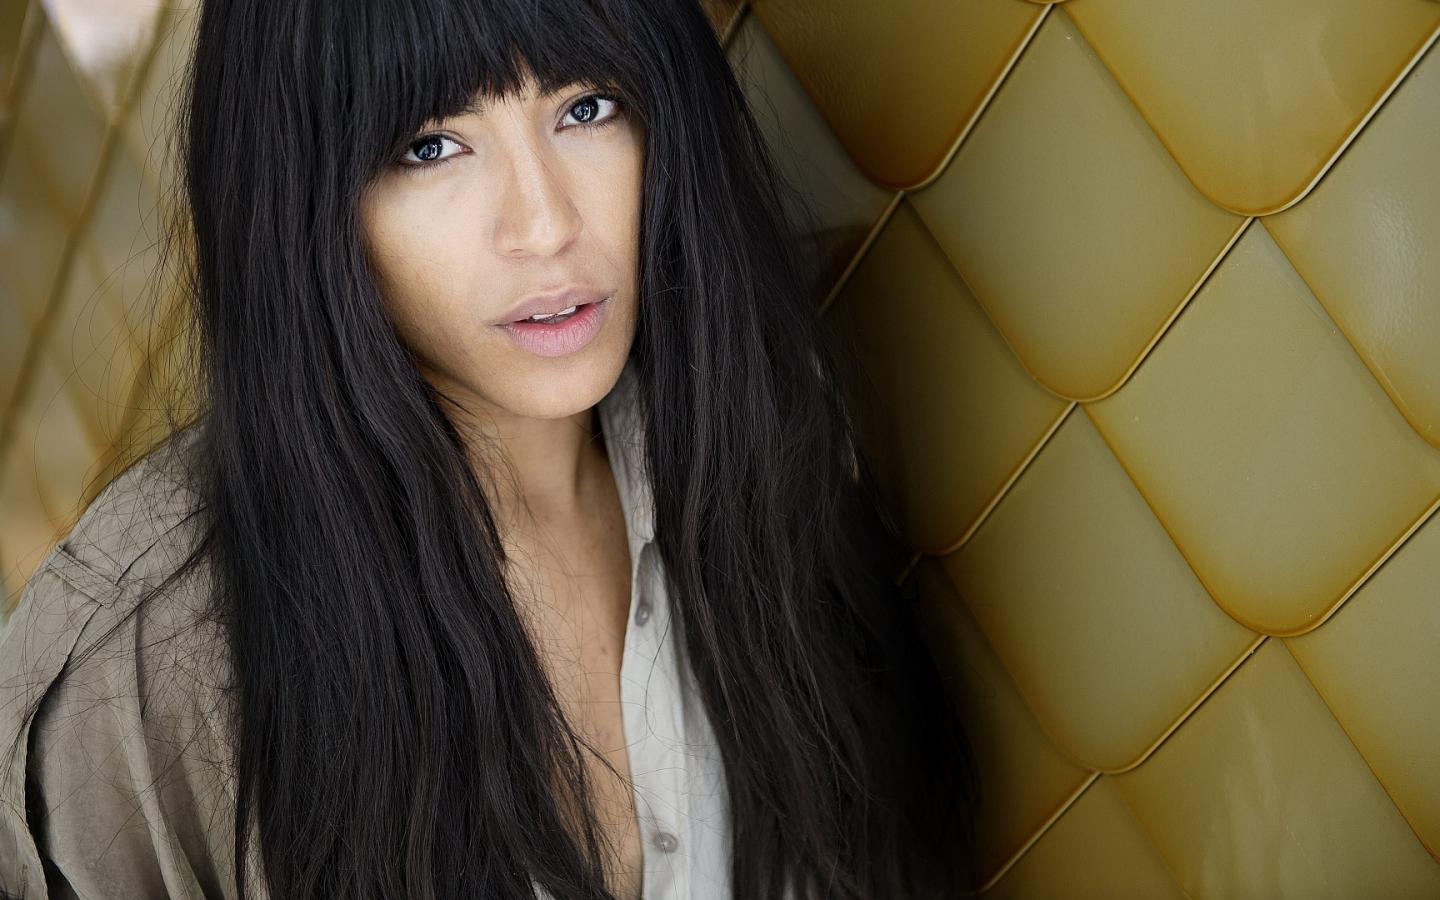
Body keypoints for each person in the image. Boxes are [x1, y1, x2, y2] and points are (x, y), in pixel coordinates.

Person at [0, 0, 980, 898]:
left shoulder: (764, 431)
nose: (546, 225)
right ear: (300, 203)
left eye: (587, 107)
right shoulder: (146, 659)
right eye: (431, 146)